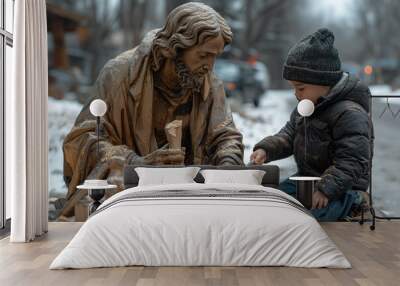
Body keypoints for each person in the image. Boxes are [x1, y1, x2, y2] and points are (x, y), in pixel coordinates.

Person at [60, 2, 244, 217]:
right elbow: (82, 139)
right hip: (130, 197)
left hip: (190, 200)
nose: (210, 67)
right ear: (175, 49)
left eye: (215, 57)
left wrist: (227, 165)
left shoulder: (208, 83)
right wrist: (133, 163)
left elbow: (225, 135)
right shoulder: (119, 76)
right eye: (203, 56)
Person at [250, 28, 372, 221]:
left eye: (301, 88)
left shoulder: (349, 113)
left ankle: (357, 202)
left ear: (323, 81)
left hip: (341, 186)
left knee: (310, 218)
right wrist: (267, 149)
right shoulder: (306, 106)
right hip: (307, 178)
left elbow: (352, 160)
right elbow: (289, 135)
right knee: (275, 201)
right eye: (293, 88)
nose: (296, 94)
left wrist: (325, 189)